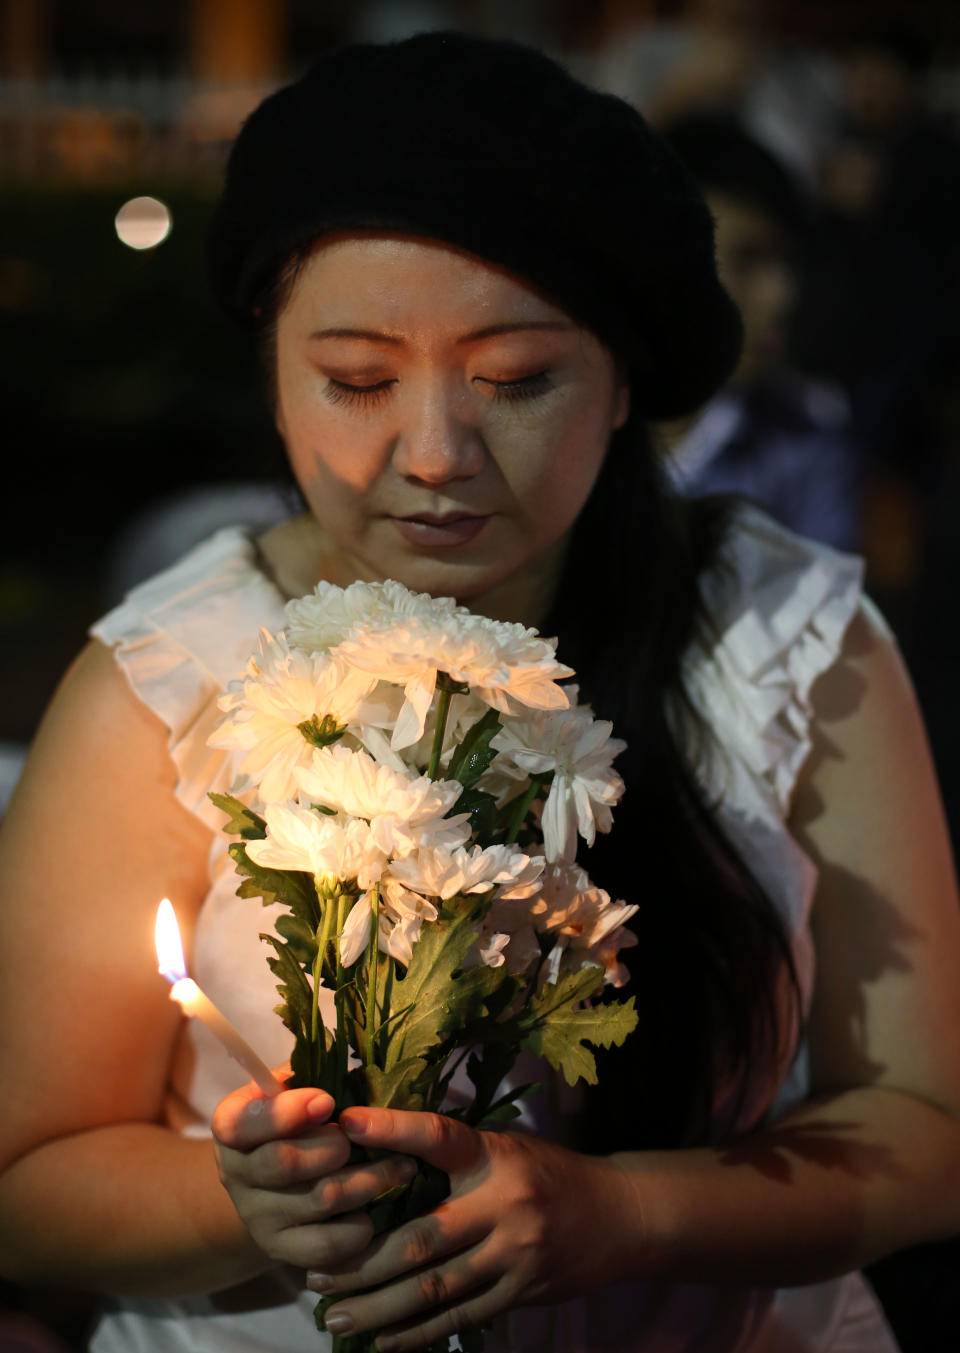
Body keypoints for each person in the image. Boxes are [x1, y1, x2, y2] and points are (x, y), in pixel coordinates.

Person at [1, 30, 959, 1353]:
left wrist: (627, 1216)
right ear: (275, 383)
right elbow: (27, 1179)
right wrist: (253, 1204)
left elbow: (925, 1126)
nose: (436, 454)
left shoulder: (787, 639)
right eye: (357, 381)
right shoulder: (171, 681)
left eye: (514, 380)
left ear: (626, 381)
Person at [657, 111, 864, 552]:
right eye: (748, 259)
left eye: (786, 264)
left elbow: (828, 613)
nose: (781, 295)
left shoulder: (805, 447)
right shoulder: (570, 428)